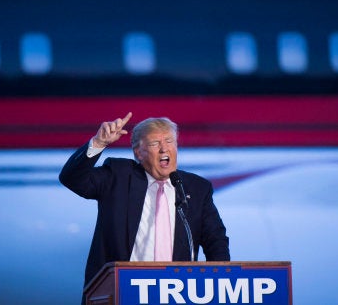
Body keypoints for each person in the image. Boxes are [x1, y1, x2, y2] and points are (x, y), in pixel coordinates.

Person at [59, 112, 230, 301]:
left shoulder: (197, 188)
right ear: (138, 153)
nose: (164, 149)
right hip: (122, 293)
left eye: (169, 141)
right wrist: (98, 143)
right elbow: (72, 179)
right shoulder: (118, 176)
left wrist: (219, 283)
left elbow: (216, 242)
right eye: (155, 144)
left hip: (176, 293)